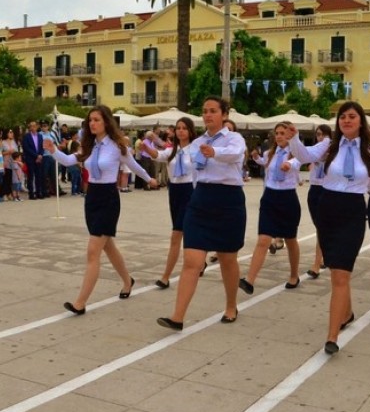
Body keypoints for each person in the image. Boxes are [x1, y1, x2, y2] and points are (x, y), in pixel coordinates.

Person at [290, 102, 370, 354]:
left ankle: (332, 336)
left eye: (352, 116)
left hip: (353, 211)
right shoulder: (329, 146)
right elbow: (305, 157)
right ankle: (345, 314)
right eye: (343, 117)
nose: (346, 120)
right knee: (336, 271)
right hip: (328, 208)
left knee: (341, 274)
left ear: (360, 121)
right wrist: (294, 139)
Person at [46, 105, 158, 315]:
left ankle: (80, 303)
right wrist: (54, 151)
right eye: (90, 120)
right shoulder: (87, 146)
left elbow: (133, 165)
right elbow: (71, 160)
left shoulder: (117, 146)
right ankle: (128, 280)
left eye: (96, 120)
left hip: (108, 198)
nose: (92, 123)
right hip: (92, 198)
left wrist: (149, 179)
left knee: (93, 250)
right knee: (108, 247)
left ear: (106, 122)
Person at [155, 96, 247, 330]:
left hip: (228, 200)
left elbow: (234, 156)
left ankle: (231, 305)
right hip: (201, 199)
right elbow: (194, 172)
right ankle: (177, 316)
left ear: (224, 114)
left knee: (228, 259)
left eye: (213, 111)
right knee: (192, 261)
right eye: (205, 111)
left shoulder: (234, 138)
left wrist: (213, 152)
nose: (208, 115)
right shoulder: (197, 143)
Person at [240, 121, 303, 294]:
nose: (280, 136)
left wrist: (288, 165)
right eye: (277, 133)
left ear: (290, 135)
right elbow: (263, 161)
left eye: (283, 133)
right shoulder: (271, 152)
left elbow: (297, 163)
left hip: (288, 198)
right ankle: (249, 280)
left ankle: (294, 275)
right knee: (263, 240)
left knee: (290, 240)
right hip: (269, 197)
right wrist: (255, 158)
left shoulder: (296, 153)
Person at [140, 117, 198, 288]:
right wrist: (146, 147)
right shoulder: (173, 150)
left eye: (184, 128)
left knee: (179, 235)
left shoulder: (195, 150)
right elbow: (158, 156)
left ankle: (166, 276)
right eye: (178, 128)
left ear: (190, 131)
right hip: (175, 192)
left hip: (191, 191)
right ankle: (198, 263)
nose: (181, 131)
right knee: (181, 233)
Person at [293, 124, 332, 279]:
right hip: (314, 189)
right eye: (318, 134)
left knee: (323, 228)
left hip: (327, 189)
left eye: (323, 134)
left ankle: (317, 264)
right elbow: (300, 158)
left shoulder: (332, 150)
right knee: (319, 227)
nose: (320, 137)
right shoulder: (314, 149)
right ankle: (324, 256)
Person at [22, 120, 43, 199]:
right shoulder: (26, 136)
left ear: (37, 127)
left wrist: (40, 155)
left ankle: (38, 192)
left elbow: (42, 146)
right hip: (31, 159)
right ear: (30, 128)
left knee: (38, 176)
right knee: (30, 177)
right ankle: (31, 194)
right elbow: (26, 148)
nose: (33, 128)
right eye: (31, 126)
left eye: (34, 126)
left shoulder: (40, 136)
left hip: (39, 159)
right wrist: (36, 156)